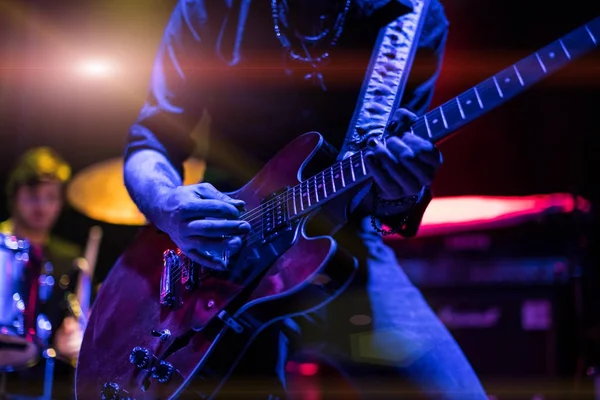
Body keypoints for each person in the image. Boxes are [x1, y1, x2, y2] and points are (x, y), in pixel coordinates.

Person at [124, 1, 487, 399]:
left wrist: (399, 193)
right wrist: (167, 205)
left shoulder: (411, 14)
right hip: (223, 246)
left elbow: (391, 175)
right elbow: (152, 139)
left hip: (347, 248)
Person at [1, 147, 82, 399]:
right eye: (33, 195)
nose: (42, 205)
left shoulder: (69, 258)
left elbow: (74, 317)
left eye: (51, 197)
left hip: (40, 384)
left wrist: (75, 335)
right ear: (15, 194)